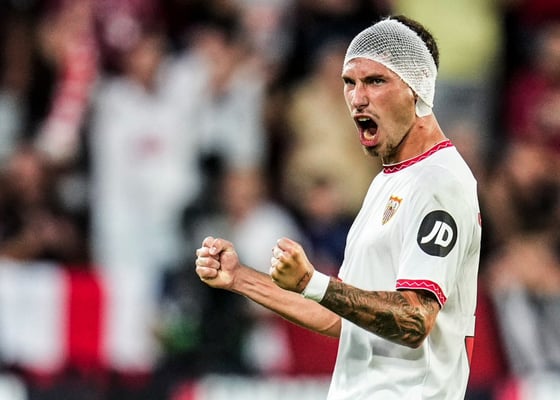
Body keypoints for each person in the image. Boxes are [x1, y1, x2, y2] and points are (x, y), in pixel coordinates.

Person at [195, 15, 481, 400]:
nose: (357, 98)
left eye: (375, 81)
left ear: (417, 90)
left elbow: (415, 319)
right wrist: (240, 278)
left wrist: (313, 283)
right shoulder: (388, 182)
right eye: (350, 82)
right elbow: (339, 313)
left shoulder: (439, 183)